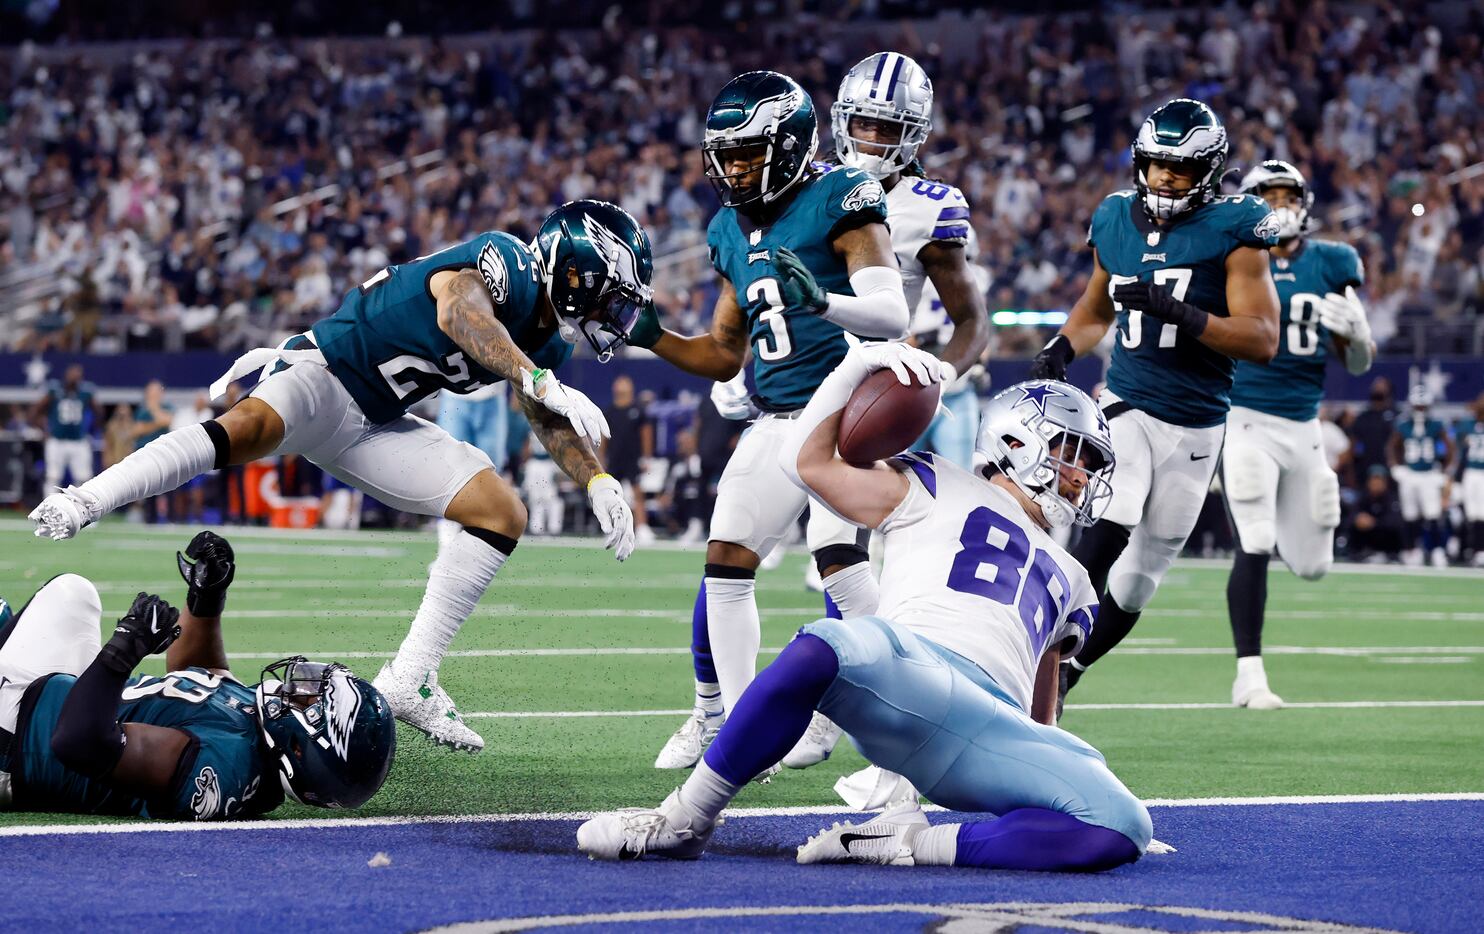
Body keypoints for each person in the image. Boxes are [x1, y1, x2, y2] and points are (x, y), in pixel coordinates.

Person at [30, 200, 650, 754]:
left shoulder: (549, 346)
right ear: (576, 272)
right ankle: (86, 498)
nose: (614, 313)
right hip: (326, 374)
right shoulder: (507, 261)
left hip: (376, 423)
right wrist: (537, 377)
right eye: (611, 294)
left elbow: (546, 416)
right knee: (240, 430)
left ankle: (410, 680)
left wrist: (596, 480)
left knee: (499, 511)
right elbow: (462, 313)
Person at [577, 344, 1152, 872]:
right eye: (1073, 453)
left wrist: (1070, 794)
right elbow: (805, 464)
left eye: (1091, 464)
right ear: (1017, 442)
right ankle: (684, 820)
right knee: (826, 644)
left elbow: (1040, 719)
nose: (1082, 478)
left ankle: (907, 843)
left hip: (992, 727)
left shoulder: (1077, 580)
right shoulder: (932, 479)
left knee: (1125, 824)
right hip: (912, 669)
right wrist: (854, 368)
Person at [626, 71, 910, 769]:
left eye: (749, 152)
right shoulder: (728, 227)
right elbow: (725, 352)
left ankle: (908, 704)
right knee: (726, 557)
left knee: (837, 558)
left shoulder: (842, 195)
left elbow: (892, 313)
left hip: (846, 413)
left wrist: (827, 304)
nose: (734, 168)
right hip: (779, 414)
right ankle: (741, 725)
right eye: (725, 154)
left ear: (787, 146)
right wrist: (650, 333)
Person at [1027, 98, 1281, 705]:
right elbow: (1095, 308)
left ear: (1211, 171)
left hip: (1198, 424)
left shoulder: (1236, 227)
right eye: (1157, 164)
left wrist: (1183, 314)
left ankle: (1068, 673)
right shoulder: (1115, 217)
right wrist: (1062, 347)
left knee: (1140, 581)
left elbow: (1262, 338)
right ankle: (1028, 652)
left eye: (1182, 168)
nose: (1165, 178)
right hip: (1128, 402)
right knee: (1115, 511)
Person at [0, 531, 395, 819]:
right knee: (74, 593)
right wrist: (207, 599)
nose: (301, 683)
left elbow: (79, 742)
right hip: (45, 702)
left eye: (312, 699)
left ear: (300, 749)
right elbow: (202, 675)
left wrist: (123, 651)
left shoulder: (230, 766)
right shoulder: (254, 732)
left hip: (17, 745)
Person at [1221, 160, 1375, 710]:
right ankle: (1249, 675)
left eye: (1288, 195)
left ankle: (1289, 537)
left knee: (1313, 565)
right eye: (1269, 195)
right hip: (1244, 418)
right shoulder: (1231, 259)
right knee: (1256, 535)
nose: (1280, 205)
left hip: (1303, 423)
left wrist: (1358, 337)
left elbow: (1358, 363)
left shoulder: (1333, 261)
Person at [833, 51, 990, 470]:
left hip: (874, 385)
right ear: (843, 121)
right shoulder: (808, 188)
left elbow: (973, 320)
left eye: (888, 128)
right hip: (804, 383)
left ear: (914, 135)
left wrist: (938, 382)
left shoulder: (928, 207)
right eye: (863, 122)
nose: (872, 139)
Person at [1389, 385, 1454, 567]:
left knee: (1433, 515)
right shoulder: (1403, 425)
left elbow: (1450, 448)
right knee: (1410, 515)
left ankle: (1436, 550)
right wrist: (1396, 467)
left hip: (1429, 474)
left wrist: (1445, 470)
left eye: (1423, 406)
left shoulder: (1436, 425)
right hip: (1410, 474)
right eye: (1417, 406)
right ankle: (1411, 550)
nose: (1420, 410)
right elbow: (1392, 447)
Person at [602, 375, 655, 545]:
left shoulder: (638, 410)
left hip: (633, 459)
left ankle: (642, 528)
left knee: (638, 493)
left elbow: (646, 434)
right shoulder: (609, 411)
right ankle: (612, 528)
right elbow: (604, 438)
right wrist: (601, 459)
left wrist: (646, 457)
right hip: (615, 459)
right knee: (612, 495)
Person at [33, 364, 100, 493]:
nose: (75, 378)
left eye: (78, 375)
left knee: (83, 478)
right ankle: (50, 508)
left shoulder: (85, 392)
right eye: (73, 374)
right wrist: (43, 429)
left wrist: (92, 429)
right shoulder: (55, 390)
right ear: (66, 375)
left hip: (78, 441)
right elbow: (36, 410)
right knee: (53, 476)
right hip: (57, 440)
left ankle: (81, 510)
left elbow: (99, 412)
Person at [1347, 465, 1405, 562]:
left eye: (1379, 480)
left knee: (1395, 529)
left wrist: (1374, 523)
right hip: (1367, 540)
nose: (1376, 483)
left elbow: (1395, 522)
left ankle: (1391, 555)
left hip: (1386, 542)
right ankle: (1359, 554)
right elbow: (1351, 516)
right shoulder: (1362, 498)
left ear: (1385, 482)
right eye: (1374, 479)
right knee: (1353, 526)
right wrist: (1357, 519)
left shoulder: (1392, 499)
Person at [1456, 393, 1484, 566]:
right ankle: (1466, 549)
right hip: (1469, 473)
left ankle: (1480, 550)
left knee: (1481, 513)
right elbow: (1461, 453)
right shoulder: (1467, 425)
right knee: (1469, 513)